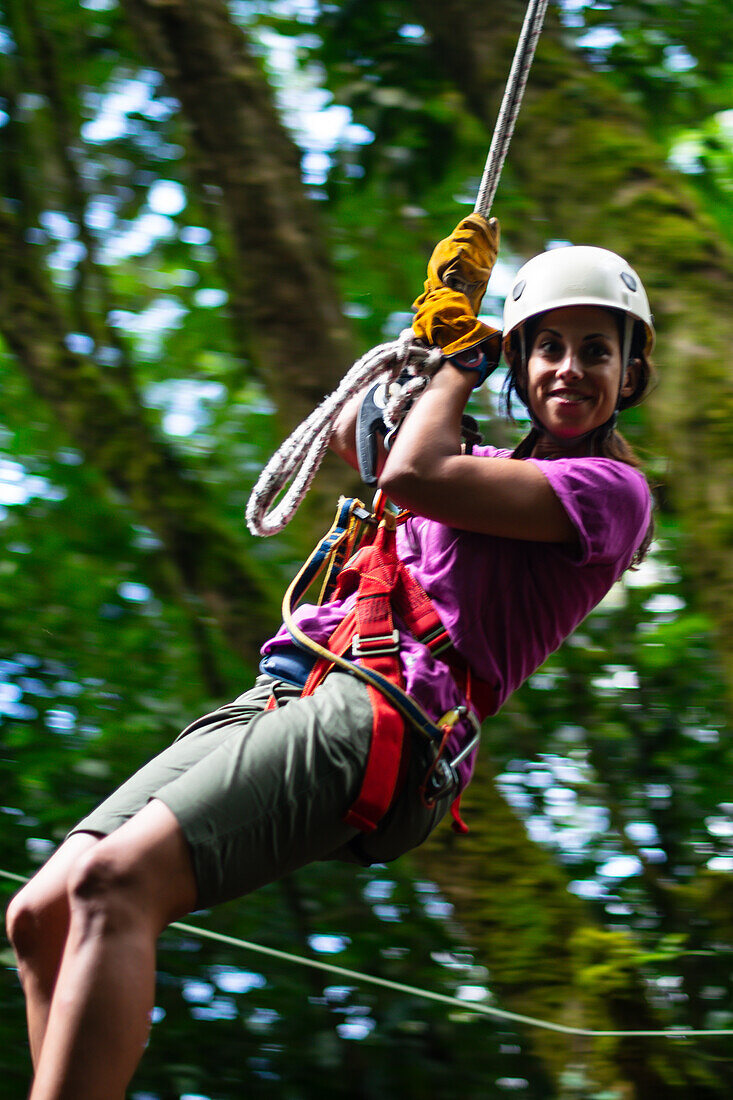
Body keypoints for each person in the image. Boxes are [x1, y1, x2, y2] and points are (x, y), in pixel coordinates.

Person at [6, 216, 655, 1099]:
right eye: (544, 348)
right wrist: (432, 336)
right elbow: (358, 435)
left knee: (119, 883)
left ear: (630, 375)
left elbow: (409, 476)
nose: (568, 368)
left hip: (387, 715)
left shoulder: (608, 492)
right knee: (42, 911)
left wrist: (464, 365)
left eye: (593, 351)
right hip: (291, 686)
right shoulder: (486, 460)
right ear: (522, 365)